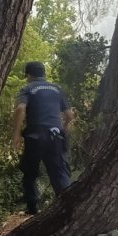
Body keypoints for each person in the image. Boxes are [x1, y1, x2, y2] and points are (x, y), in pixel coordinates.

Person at [11, 61, 76, 215]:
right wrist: (65, 128)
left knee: (30, 173)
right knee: (59, 173)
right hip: (56, 135)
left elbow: (20, 109)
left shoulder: (28, 88)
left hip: (35, 136)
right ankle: (68, 211)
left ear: (28, 75)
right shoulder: (56, 89)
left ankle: (33, 211)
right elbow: (69, 115)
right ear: (44, 74)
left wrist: (16, 134)